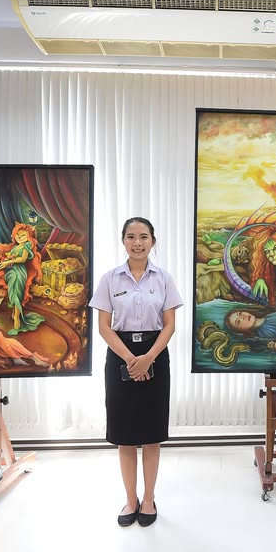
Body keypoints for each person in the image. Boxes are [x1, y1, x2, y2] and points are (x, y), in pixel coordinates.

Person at [89, 217, 183, 527]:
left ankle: (149, 499)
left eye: (143, 236)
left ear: (153, 241)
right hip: (121, 354)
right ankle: (130, 499)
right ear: (123, 241)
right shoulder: (110, 279)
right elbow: (104, 327)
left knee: (152, 433)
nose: (137, 242)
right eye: (131, 237)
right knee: (125, 434)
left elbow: (169, 325)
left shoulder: (164, 278)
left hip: (156, 352)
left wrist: (148, 358)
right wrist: (132, 360)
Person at [0, 222, 45, 335]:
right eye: (18, 235)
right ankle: (15, 314)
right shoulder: (15, 247)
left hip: (19, 272)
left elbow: (22, 259)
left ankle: (17, 319)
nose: (20, 237)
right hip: (11, 271)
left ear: (28, 237)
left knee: (17, 294)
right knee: (13, 292)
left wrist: (8, 262)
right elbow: (8, 257)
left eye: (23, 235)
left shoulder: (26, 246)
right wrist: (1, 259)